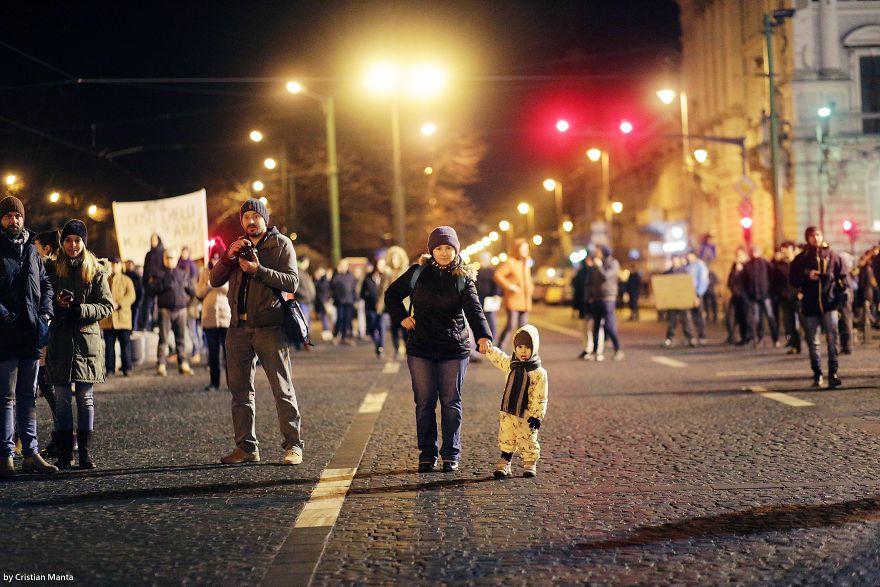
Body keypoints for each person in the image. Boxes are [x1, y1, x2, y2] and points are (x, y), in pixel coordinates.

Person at [384, 226, 492, 473]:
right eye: (439, 248)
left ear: (456, 249)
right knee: (424, 403)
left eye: (449, 248)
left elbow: (474, 310)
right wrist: (402, 317)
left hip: (453, 348)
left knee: (451, 402)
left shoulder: (463, 277)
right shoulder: (417, 273)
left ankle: (450, 454)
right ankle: (427, 454)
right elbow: (391, 295)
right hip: (421, 347)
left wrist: (484, 335)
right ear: (432, 250)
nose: (444, 252)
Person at [211, 198, 303, 466]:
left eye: (256, 216)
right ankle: (246, 447)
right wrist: (228, 257)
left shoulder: (281, 244)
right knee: (239, 391)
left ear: (265, 219)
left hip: (270, 326)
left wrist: (258, 270)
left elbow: (292, 281)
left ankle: (293, 445)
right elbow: (214, 280)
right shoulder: (237, 246)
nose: (251, 221)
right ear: (241, 222)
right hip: (238, 328)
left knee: (281, 388)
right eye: (246, 217)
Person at [45, 219, 113, 469]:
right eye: (68, 240)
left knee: (85, 398)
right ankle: (65, 452)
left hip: (86, 342)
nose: (73, 245)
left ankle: (84, 452)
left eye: (77, 240)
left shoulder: (95, 269)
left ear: (84, 242)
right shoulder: (52, 269)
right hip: (61, 339)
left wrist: (80, 309)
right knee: (62, 398)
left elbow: (107, 305)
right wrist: (57, 306)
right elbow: (44, 299)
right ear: (62, 243)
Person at [0, 197, 58, 476]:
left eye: (18, 216)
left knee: (28, 396)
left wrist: (46, 312)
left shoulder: (32, 250)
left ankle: (31, 454)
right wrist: (5, 317)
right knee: (6, 397)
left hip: (32, 332)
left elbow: (46, 283)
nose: (14, 220)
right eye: (9, 216)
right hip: (6, 334)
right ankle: (6, 455)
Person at [485, 324, 548, 479]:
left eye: (527, 347)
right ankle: (505, 462)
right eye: (519, 347)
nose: (523, 351)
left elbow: (541, 396)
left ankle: (529, 463)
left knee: (528, 438)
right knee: (506, 436)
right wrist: (489, 349)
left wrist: (537, 415)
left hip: (527, 413)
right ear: (514, 347)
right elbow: (499, 358)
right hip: (509, 410)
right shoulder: (511, 364)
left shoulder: (538, 372)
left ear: (534, 347)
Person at [790, 226, 846, 388]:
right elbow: (793, 280)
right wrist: (807, 276)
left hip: (830, 303)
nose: (815, 238)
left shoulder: (833, 255)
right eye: (812, 235)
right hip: (811, 305)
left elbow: (842, 276)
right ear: (807, 238)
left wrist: (840, 291)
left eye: (818, 234)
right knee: (813, 342)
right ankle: (817, 373)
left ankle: (833, 373)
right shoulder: (801, 259)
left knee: (832, 339)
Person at [34, 230, 61, 459]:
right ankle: (62, 437)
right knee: (51, 389)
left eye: (36, 246)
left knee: (50, 388)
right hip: (50, 335)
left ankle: (63, 438)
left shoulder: (48, 269)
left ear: (47, 249)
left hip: (48, 337)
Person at [148, 248, 195, 376]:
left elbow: (192, 290)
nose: (169, 260)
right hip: (165, 310)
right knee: (163, 339)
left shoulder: (182, 274)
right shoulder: (158, 274)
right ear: (164, 259)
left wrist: (186, 303)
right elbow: (151, 291)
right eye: (167, 258)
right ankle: (161, 365)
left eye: (172, 258)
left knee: (181, 339)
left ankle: (183, 363)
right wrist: (162, 284)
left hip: (181, 310)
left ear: (176, 259)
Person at [196, 241, 231, 392]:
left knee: (228, 353)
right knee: (212, 353)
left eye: (218, 257)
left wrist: (215, 282)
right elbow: (198, 293)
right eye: (213, 257)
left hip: (226, 317)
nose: (215, 260)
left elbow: (229, 289)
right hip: (209, 317)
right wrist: (208, 285)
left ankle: (232, 383)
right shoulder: (204, 272)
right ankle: (214, 382)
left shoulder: (229, 270)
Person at [494, 238, 534, 349]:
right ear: (516, 249)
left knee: (523, 328)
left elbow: (527, 279)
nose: (525, 250)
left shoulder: (526, 263)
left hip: (525, 300)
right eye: (522, 248)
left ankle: (523, 351)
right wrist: (509, 286)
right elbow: (498, 275)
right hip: (513, 299)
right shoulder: (510, 262)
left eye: (526, 248)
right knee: (510, 325)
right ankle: (500, 347)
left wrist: (531, 287)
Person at [99, 257, 136, 377]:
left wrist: (119, 303)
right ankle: (110, 369)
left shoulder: (127, 280)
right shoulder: (105, 279)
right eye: (113, 264)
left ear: (121, 266)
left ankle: (127, 367)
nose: (115, 266)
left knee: (125, 345)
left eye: (117, 264)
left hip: (123, 319)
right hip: (108, 320)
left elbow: (131, 296)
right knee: (109, 347)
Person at [588, 245, 624, 360]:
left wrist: (598, 266)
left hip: (608, 298)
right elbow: (592, 281)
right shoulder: (597, 263)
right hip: (597, 299)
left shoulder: (613, 263)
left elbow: (606, 276)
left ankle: (618, 349)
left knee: (609, 325)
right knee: (596, 326)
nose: (596, 253)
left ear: (604, 252)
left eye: (598, 251)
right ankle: (595, 351)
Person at [742, 244, 780, 347]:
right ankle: (760, 338)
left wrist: (770, 289)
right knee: (758, 319)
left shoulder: (765, 263)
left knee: (770, 316)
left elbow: (773, 275)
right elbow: (745, 281)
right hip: (753, 296)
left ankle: (775, 338)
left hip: (765, 294)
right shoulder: (747, 265)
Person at [663, 254, 697, 347]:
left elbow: (690, 286)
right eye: (673, 260)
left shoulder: (684, 272)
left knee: (686, 320)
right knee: (671, 321)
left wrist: (693, 297)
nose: (675, 262)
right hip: (672, 300)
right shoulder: (667, 273)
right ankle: (670, 338)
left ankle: (690, 338)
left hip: (683, 300)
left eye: (676, 260)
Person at [178, 246, 202, 364]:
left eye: (186, 252)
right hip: (181, 305)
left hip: (190, 305)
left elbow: (194, 291)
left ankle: (196, 352)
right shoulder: (178, 265)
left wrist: (190, 296)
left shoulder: (192, 268)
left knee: (192, 330)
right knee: (184, 331)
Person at [361, 258, 391, 357]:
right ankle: (378, 344)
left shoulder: (386, 277)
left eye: (383, 265)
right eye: (379, 264)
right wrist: (368, 297)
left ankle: (381, 347)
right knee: (372, 329)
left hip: (383, 308)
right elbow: (362, 292)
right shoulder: (368, 277)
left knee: (382, 327)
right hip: (371, 307)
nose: (381, 267)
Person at [384, 245, 410, 356]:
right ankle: (396, 348)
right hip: (393, 306)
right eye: (393, 259)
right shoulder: (388, 273)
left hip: (406, 305)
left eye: (396, 258)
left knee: (406, 328)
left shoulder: (406, 271)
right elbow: (384, 290)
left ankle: (407, 347)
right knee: (394, 328)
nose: (394, 261)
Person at [475, 251, 503, 338]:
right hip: (480, 298)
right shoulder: (478, 271)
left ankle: (492, 336)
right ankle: (482, 335)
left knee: (490, 318)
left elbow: (496, 284)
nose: (483, 261)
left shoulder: (492, 271)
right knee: (480, 318)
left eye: (485, 259)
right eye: (482, 259)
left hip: (489, 299)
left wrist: (496, 294)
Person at [140, 233, 164, 331]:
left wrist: (156, 277)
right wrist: (147, 279)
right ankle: (146, 325)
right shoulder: (148, 254)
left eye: (154, 239)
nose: (153, 241)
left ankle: (157, 324)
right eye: (151, 239)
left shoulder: (163, 253)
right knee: (148, 305)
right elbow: (146, 269)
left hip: (160, 283)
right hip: (150, 285)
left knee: (159, 305)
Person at [331, 258, 357, 345]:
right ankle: (336, 336)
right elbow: (333, 287)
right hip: (340, 302)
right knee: (340, 319)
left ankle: (345, 337)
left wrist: (355, 299)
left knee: (348, 320)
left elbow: (354, 288)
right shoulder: (337, 276)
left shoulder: (350, 276)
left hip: (349, 301)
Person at [293, 255, 316, 352]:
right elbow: (296, 287)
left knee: (307, 324)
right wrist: (305, 295)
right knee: (303, 324)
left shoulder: (304, 273)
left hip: (307, 301)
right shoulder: (298, 272)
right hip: (303, 301)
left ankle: (304, 343)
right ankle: (302, 344)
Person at [123, 259, 143, 332]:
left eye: (130, 265)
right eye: (127, 264)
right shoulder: (123, 275)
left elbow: (140, 290)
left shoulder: (136, 277)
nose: (128, 266)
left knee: (134, 316)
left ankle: (133, 329)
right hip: (125, 301)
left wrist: (139, 301)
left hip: (135, 300)